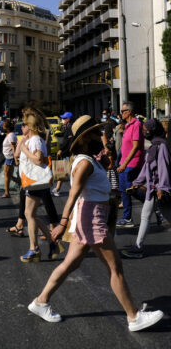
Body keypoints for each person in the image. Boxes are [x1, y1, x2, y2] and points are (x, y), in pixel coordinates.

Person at [27, 115, 164, 332]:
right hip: (91, 218)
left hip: (91, 215)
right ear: (84, 138)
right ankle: (134, 317)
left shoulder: (90, 160)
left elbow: (98, 183)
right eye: (94, 133)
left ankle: (40, 301)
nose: (101, 136)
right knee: (115, 267)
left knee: (70, 264)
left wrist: (107, 158)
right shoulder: (84, 163)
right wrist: (62, 223)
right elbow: (73, 195)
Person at [122, 119, 171, 259]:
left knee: (147, 216)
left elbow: (164, 168)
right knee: (146, 216)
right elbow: (146, 168)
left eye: (146, 130)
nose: (144, 132)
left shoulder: (161, 146)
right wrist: (137, 182)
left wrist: (162, 188)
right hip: (153, 189)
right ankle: (138, 247)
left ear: (153, 130)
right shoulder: (154, 146)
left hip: (158, 189)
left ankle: (138, 248)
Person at [16, 113, 62, 262]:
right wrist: (22, 143)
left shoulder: (36, 140)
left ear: (30, 126)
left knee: (29, 214)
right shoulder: (30, 139)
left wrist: (25, 148)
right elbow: (16, 155)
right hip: (31, 181)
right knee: (30, 214)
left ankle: (34, 249)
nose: (21, 127)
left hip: (36, 181)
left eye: (24, 124)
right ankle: (50, 243)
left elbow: (38, 159)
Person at [116, 102, 145, 228]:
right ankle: (127, 218)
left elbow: (135, 147)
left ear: (129, 112)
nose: (121, 113)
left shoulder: (137, 125)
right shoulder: (127, 125)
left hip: (133, 163)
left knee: (130, 190)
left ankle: (151, 203)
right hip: (123, 163)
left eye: (123, 111)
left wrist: (125, 164)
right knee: (124, 190)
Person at [52, 112, 73, 197]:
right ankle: (57, 188)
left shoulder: (70, 128)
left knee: (65, 171)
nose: (62, 120)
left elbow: (67, 142)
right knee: (64, 171)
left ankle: (58, 189)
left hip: (68, 153)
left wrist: (61, 150)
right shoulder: (67, 127)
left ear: (68, 119)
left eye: (64, 118)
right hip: (66, 153)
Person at [1, 120, 17, 198]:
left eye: (3, 126)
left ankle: (7, 193)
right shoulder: (9, 135)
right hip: (8, 157)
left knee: (7, 174)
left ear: (7, 128)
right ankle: (22, 183)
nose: (2, 128)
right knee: (8, 175)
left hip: (10, 157)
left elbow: (13, 147)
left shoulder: (11, 135)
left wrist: (15, 158)